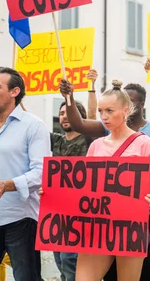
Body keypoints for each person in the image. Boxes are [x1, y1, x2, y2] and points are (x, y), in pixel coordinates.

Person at [59, 79, 150, 281]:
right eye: (101, 111)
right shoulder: (96, 146)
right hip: (96, 226)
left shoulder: (144, 142)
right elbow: (83, 188)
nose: (104, 117)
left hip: (129, 225)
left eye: (110, 111)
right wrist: (55, 194)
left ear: (126, 110)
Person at [0, 67, 51, 280]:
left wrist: (7, 185)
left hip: (21, 219)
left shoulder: (34, 126)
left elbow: (42, 172)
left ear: (14, 92)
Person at [49, 101, 91, 281]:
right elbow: (32, 126)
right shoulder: (57, 140)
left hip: (80, 209)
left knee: (69, 258)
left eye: (69, 112)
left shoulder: (89, 139)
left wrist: (73, 94)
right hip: (58, 208)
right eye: (61, 113)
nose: (64, 116)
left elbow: (93, 117)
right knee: (59, 257)